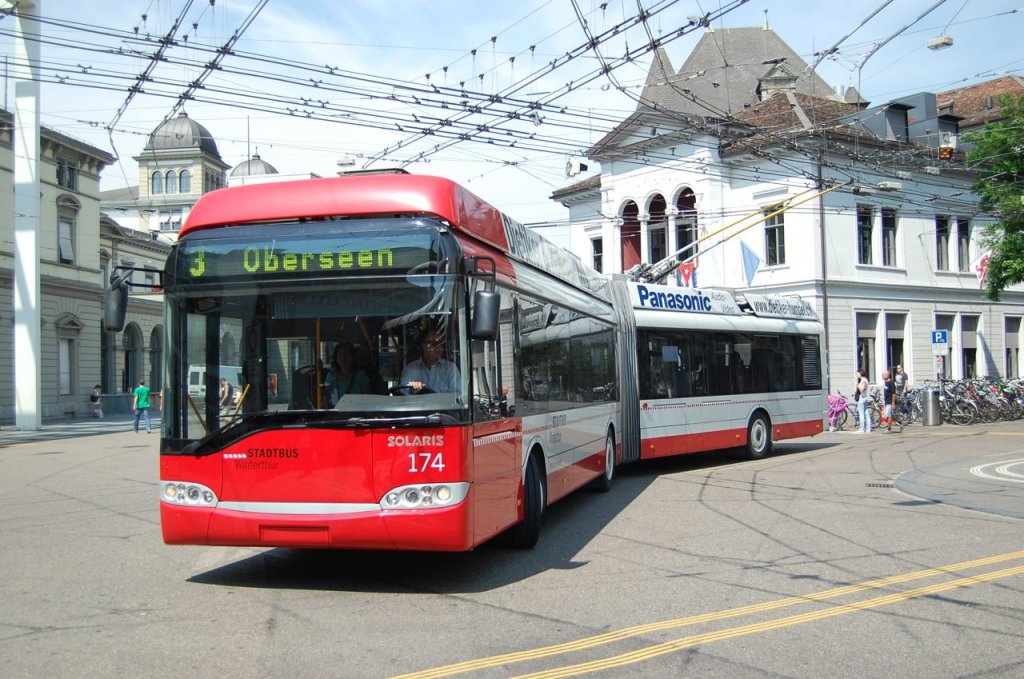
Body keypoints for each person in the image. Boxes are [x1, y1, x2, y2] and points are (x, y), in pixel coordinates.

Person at [855, 368, 871, 433]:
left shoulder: (863, 380)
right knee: (866, 413)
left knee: (861, 414)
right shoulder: (865, 380)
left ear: (860, 373)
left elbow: (862, 389)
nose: (857, 375)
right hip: (865, 397)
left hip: (862, 397)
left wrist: (857, 385)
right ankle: (868, 428)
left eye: (857, 373)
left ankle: (862, 429)